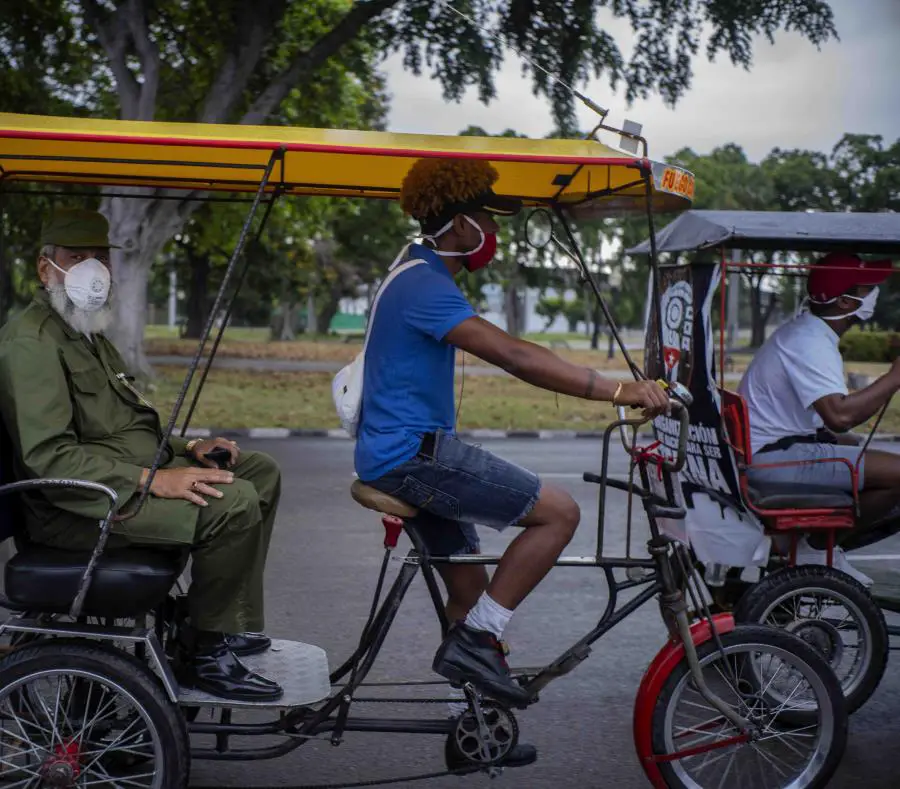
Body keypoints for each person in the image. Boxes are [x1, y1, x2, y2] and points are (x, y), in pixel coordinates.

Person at [354, 157, 668, 731]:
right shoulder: (425, 283)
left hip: (405, 454)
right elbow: (517, 356)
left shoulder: (417, 269)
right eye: (482, 218)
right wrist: (621, 390)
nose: (491, 232)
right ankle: (478, 642)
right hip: (411, 459)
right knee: (560, 513)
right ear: (457, 224)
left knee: (469, 588)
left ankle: (470, 726)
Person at [0, 208, 283, 702]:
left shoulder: (83, 331)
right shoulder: (32, 343)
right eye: (77, 257)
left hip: (118, 481)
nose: (93, 268)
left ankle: (226, 622)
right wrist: (154, 480)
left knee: (257, 471)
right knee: (232, 503)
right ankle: (205, 654)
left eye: (100, 257)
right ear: (47, 269)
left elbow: (125, 423)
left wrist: (187, 449)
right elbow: (49, 458)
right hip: (77, 507)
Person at [738, 251, 900, 586]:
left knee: (855, 447)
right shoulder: (811, 342)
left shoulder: (808, 332)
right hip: (772, 463)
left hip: (771, 451)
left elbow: (834, 426)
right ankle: (815, 548)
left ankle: (812, 546)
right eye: (869, 288)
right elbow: (839, 415)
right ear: (845, 301)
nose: (874, 293)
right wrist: (894, 377)